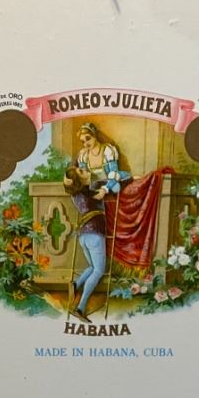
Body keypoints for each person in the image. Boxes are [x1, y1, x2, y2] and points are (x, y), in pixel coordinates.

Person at [66, 123, 129, 316]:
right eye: (83, 172)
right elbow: (106, 184)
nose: (85, 143)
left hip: (83, 235)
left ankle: (74, 285)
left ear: (94, 136)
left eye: (88, 138)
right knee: (99, 271)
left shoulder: (77, 194)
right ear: (82, 180)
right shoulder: (92, 191)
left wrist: (105, 186)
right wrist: (105, 189)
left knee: (92, 267)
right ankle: (80, 307)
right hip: (94, 233)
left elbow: (107, 177)